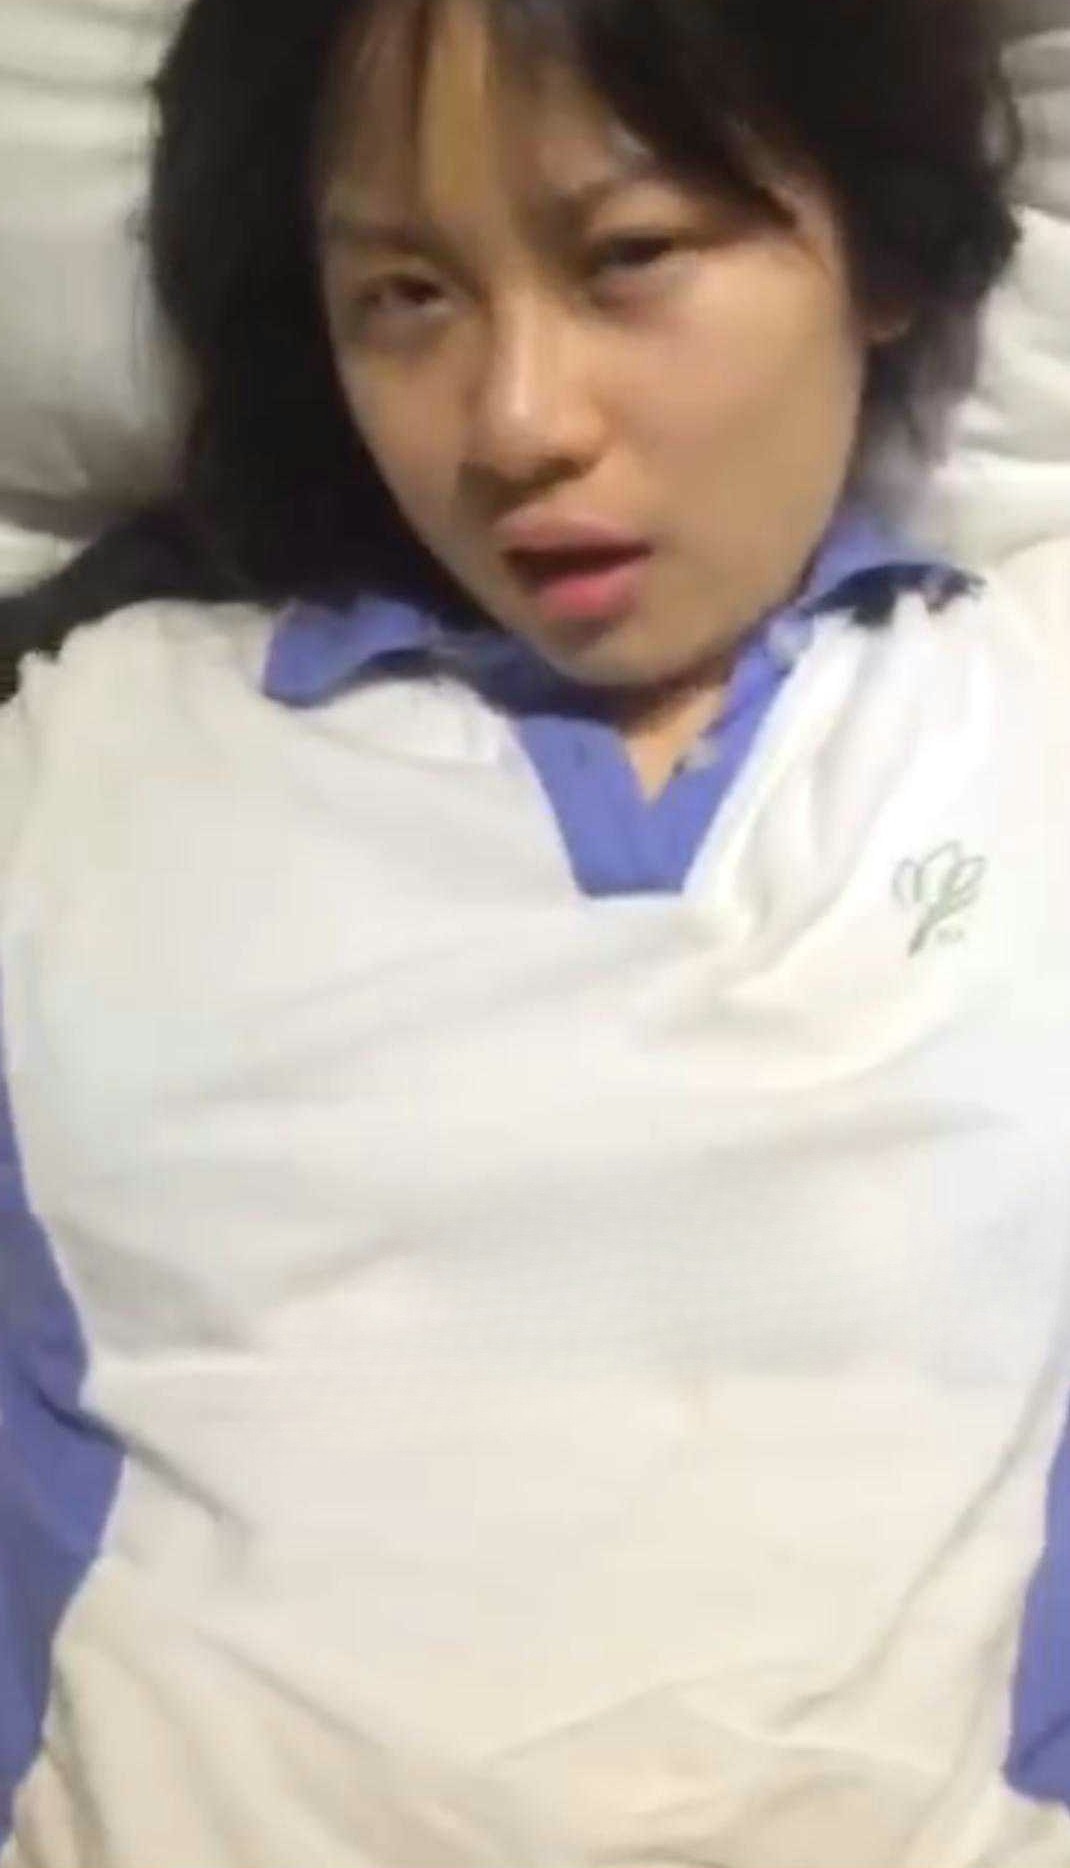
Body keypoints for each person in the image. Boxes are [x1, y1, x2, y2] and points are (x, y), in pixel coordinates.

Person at [1, 0, 1069, 1863]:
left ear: (881, 256)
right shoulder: (86, 753)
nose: (514, 424)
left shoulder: (1022, 710)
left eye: (630, 255)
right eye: (404, 298)